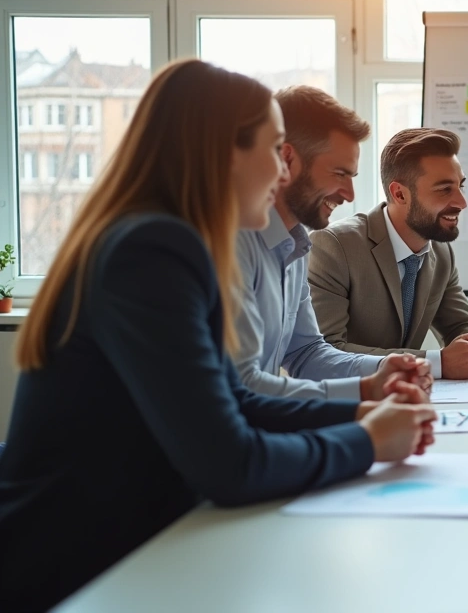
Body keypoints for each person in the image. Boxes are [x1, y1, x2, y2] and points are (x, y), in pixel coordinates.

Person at [0, 60, 436, 612]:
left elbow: (234, 400)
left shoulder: (166, 241)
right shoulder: (153, 249)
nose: (282, 173)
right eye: (274, 150)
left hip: (138, 542)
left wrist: (361, 415)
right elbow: (231, 464)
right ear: (226, 151)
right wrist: (369, 441)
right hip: (79, 568)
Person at [234, 85, 432, 401]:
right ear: (286, 159)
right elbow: (242, 386)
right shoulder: (235, 244)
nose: (350, 194)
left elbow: (306, 353)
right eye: (339, 173)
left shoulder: (296, 247)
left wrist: (384, 368)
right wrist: (364, 395)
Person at [309, 128, 468, 380]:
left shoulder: (440, 251)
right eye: (444, 189)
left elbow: (461, 323)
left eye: (460, 186)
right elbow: (326, 352)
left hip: (406, 399)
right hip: (347, 403)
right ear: (399, 194)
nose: (462, 202)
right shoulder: (333, 246)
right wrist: (436, 363)